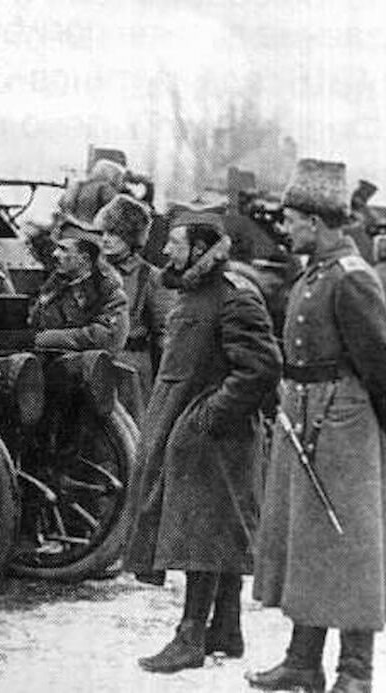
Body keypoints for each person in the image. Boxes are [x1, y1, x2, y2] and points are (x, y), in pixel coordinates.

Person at [250, 159, 386, 693]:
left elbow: (380, 364)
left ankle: (355, 672)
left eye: (292, 219)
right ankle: (302, 663)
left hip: (345, 425)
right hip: (304, 416)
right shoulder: (314, 271)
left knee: (351, 545)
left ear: (316, 220)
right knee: (308, 546)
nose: (285, 228)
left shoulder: (352, 278)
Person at [125, 212, 281, 674]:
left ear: (199, 249)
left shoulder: (233, 298)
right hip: (191, 432)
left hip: (216, 438)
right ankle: (227, 631)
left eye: (175, 243)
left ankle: (190, 637)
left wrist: (209, 416)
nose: (166, 250)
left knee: (202, 533)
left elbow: (260, 368)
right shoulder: (191, 293)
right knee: (216, 530)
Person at [95, 194, 171, 416]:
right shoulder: (91, 271)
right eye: (103, 233)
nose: (106, 239)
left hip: (131, 368)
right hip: (93, 362)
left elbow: (164, 336)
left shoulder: (150, 278)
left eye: (115, 233)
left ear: (131, 238)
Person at [27, 222, 129, 353]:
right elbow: (34, 323)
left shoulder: (110, 295)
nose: (55, 254)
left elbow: (105, 337)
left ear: (84, 259)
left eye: (63, 249)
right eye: (57, 248)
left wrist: (45, 338)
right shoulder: (53, 288)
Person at [58, 158, 127, 227]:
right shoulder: (106, 188)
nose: (122, 182)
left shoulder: (79, 185)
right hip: (93, 229)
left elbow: (61, 203)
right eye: (120, 177)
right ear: (113, 176)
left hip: (74, 224)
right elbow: (118, 210)